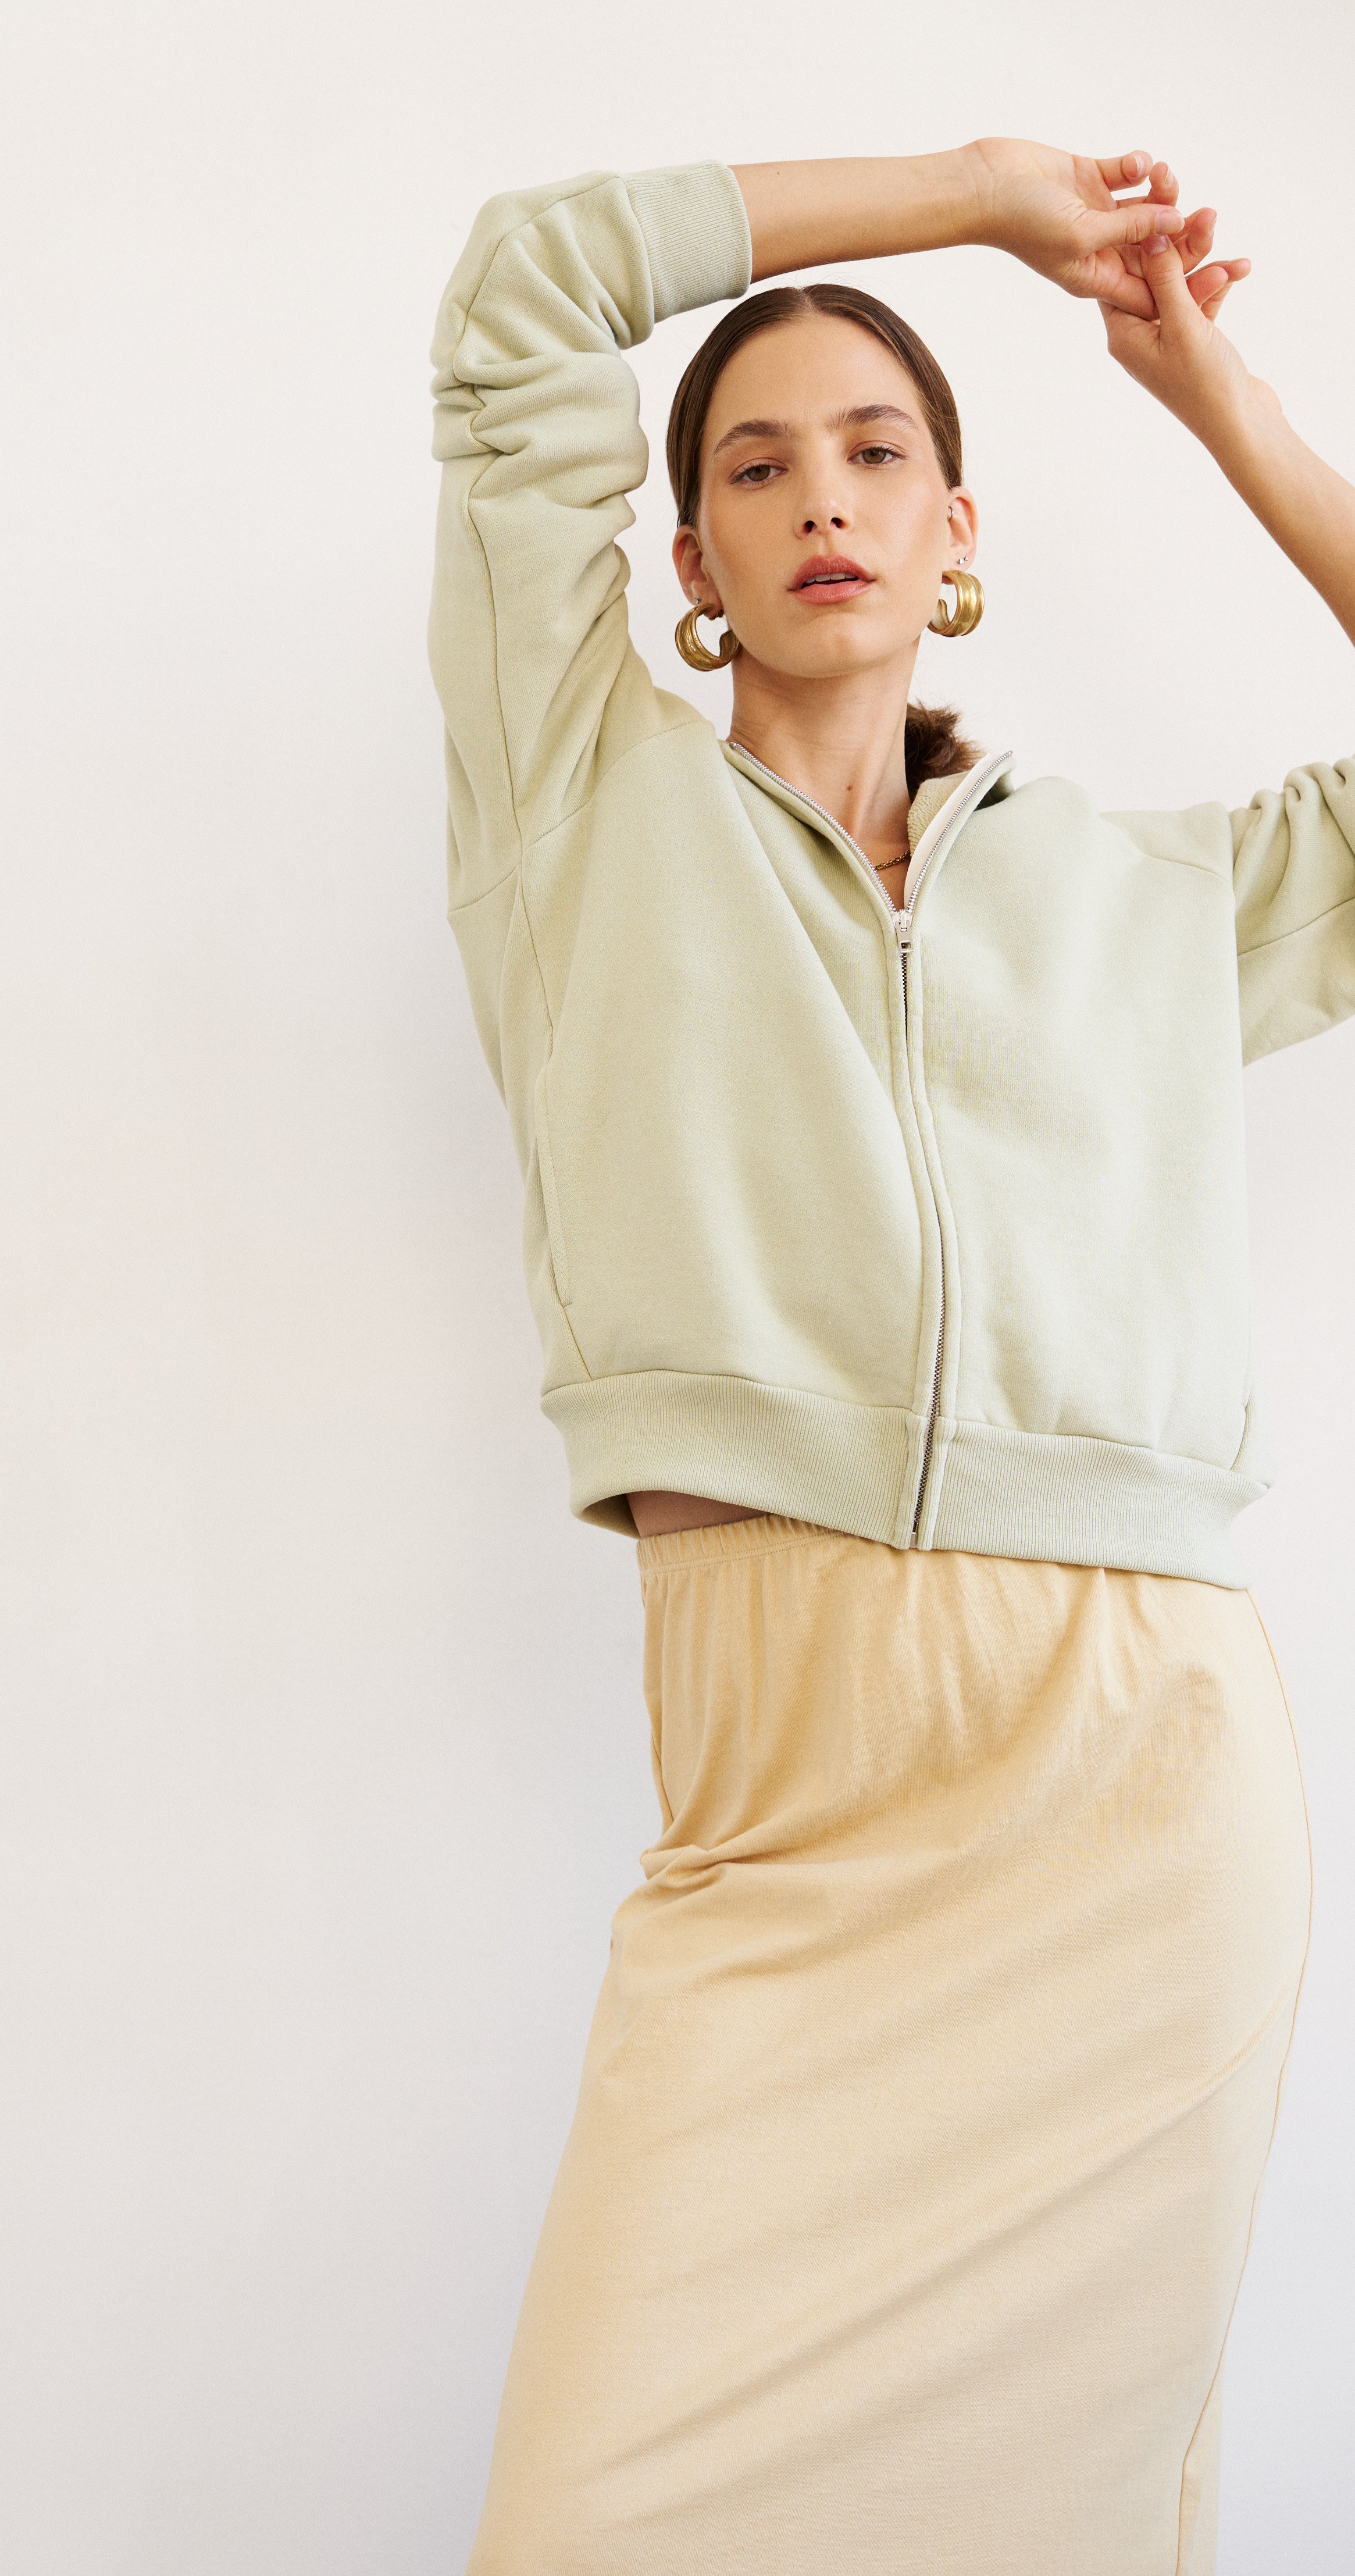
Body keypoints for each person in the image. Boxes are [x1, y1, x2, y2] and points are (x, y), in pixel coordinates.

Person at [427, 137, 1350, 2573]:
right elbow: (528, 286)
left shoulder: (1155, 897)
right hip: (783, 1792)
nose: (818, 497)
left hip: (1139, 1784)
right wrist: (974, 200)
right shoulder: (577, 808)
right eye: (754, 466)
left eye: (874, 452)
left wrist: (1216, 397)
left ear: (956, 531)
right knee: (588, 2520)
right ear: (688, 559)